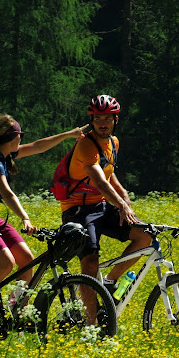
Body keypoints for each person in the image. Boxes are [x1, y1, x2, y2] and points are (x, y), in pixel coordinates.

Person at [0, 114, 88, 323]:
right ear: (11, 137)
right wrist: (25, 218)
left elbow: (38, 146)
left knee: (26, 260)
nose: (22, 139)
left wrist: (69, 135)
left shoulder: (5, 154)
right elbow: (7, 193)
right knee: (6, 263)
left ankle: (15, 310)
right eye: (20, 135)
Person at [60, 95, 151, 303]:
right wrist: (120, 204)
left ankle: (109, 282)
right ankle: (91, 324)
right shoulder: (85, 145)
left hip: (100, 206)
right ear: (92, 121)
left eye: (108, 119)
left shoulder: (114, 142)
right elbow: (100, 181)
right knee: (91, 262)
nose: (103, 123)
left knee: (144, 237)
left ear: (115, 121)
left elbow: (109, 172)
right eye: (98, 118)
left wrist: (125, 197)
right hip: (78, 210)